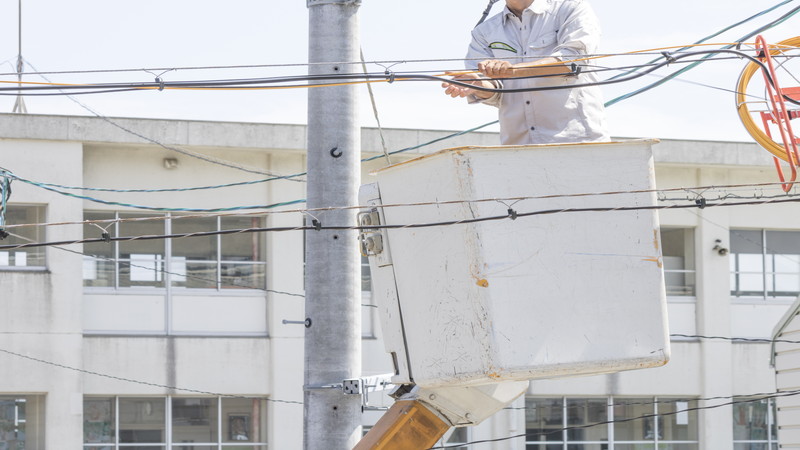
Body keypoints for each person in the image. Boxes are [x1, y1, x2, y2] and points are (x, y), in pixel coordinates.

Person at [442, 0, 609, 145]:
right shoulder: (484, 32)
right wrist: (479, 85)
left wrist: (514, 71)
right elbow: (495, 92)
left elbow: (573, 61)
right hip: (519, 146)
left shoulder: (571, 8)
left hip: (578, 140)